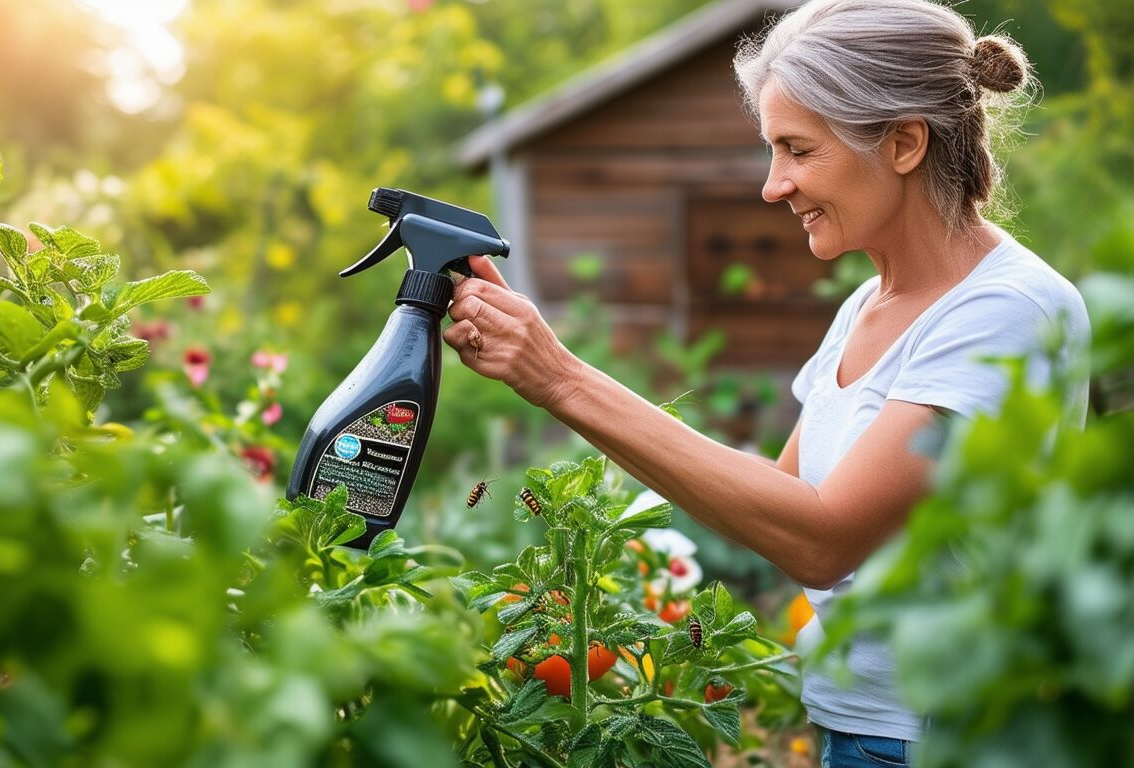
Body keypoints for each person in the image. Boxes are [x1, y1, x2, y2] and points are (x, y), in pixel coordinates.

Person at [441, 1, 1090, 765]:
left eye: (798, 150)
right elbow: (775, 504)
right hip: (859, 729)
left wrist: (562, 380)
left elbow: (823, 539)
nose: (773, 186)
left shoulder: (1004, 311)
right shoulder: (867, 306)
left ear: (904, 142)